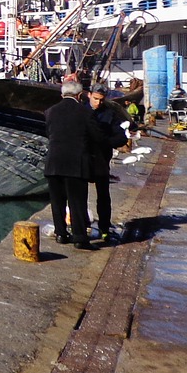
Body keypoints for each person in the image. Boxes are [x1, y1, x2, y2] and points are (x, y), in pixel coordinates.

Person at [44, 78, 96, 249]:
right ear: (80, 95)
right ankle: (79, 236)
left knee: (57, 201)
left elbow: (49, 133)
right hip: (76, 163)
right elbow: (93, 137)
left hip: (54, 162)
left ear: (62, 94)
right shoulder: (85, 112)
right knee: (76, 201)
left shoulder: (50, 111)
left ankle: (61, 233)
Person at [86, 83, 128, 244]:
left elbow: (122, 137)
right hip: (84, 159)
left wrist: (105, 142)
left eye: (101, 100)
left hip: (102, 160)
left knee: (103, 196)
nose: (98, 103)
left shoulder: (110, 114)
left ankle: (104, 227)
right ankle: (81, 225)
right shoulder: (82, 111)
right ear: (89, 95)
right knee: (79, 196)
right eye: (96, 99)